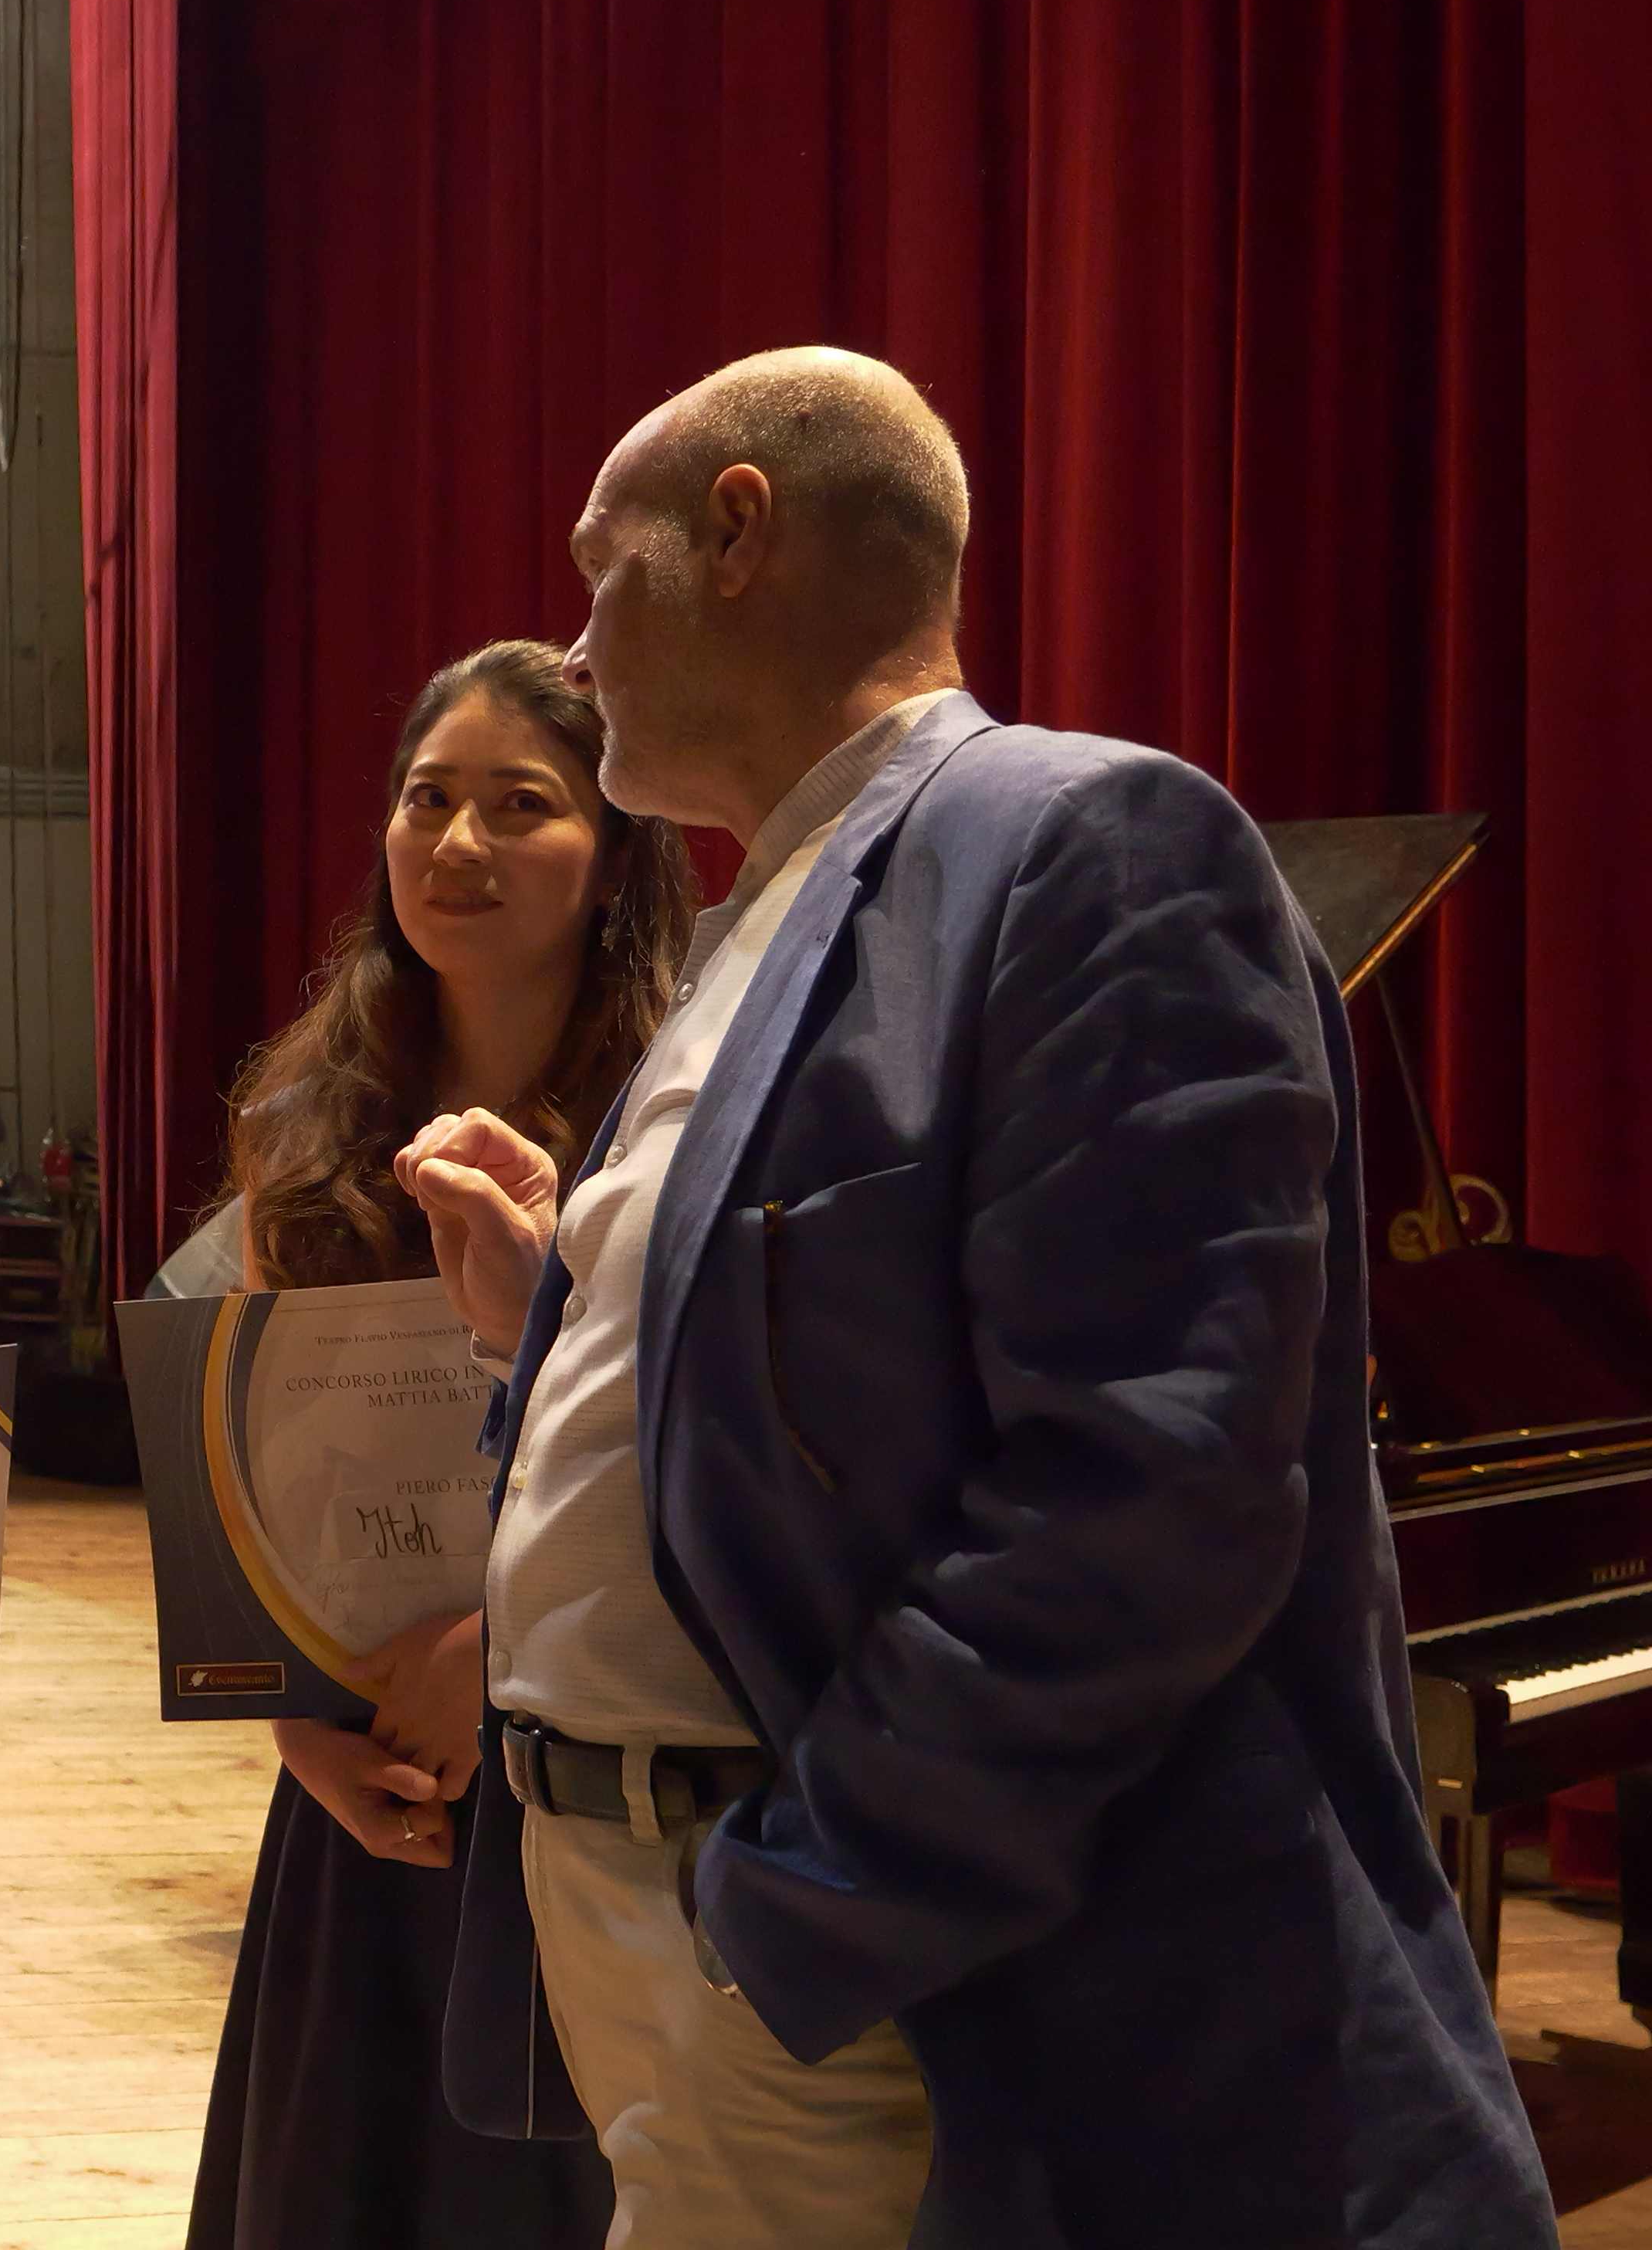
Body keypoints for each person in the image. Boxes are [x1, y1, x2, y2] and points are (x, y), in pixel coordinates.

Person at [403, 347, 1555, 2247]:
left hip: (862, 1968)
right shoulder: (765, 907)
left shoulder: (1085, 841)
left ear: (738, 531)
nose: (577, 647)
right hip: (661, 1922)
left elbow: (1144, 1496)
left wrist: (805, 1900)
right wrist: (558, 1306)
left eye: (601, 567)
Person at [187, 641, 693, 2248]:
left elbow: (703, 1459)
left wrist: (503, 1646)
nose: (457, 843)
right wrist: (294, 1722)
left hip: (596, 1759)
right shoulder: (307, 1116)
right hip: (367, 1776)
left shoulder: (680, 1113)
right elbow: (250, 1465)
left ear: (613, 855)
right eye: (426, 799)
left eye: (519, 805)